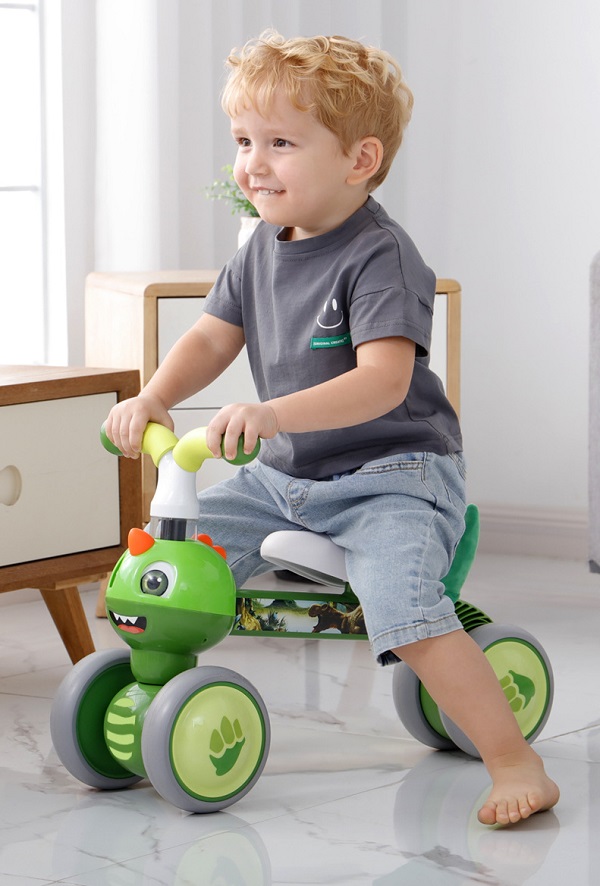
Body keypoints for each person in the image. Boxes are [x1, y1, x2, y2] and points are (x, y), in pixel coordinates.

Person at [105, 30, 559, 826]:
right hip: (286, 475)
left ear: (359, 160)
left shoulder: (380, 256)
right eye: (244, 141)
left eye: (280, 143)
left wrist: (271, 413)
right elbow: (212, 336)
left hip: (392, 474)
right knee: (174, 560)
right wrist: (154, 397)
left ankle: (514, 759)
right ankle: (151, 694)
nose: (253, 163)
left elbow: (383, 382)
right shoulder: (258, 247)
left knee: (402, 606)